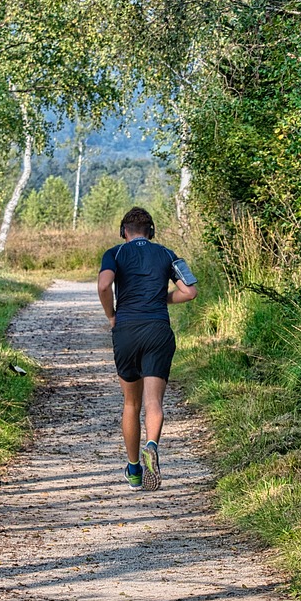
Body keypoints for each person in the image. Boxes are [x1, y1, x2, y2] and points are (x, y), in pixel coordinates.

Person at [97, 207, 198, 491]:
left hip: (127, 331)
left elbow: (105, 285)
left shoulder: (114, 253)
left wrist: (111, 315)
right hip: (158, 330)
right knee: (154, 402)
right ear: (151, 232)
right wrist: (162, 298)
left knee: (131, 404)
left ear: (123, 232)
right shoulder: (167, 254)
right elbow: (190, 291)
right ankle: (151, 445)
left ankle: (133, 471)